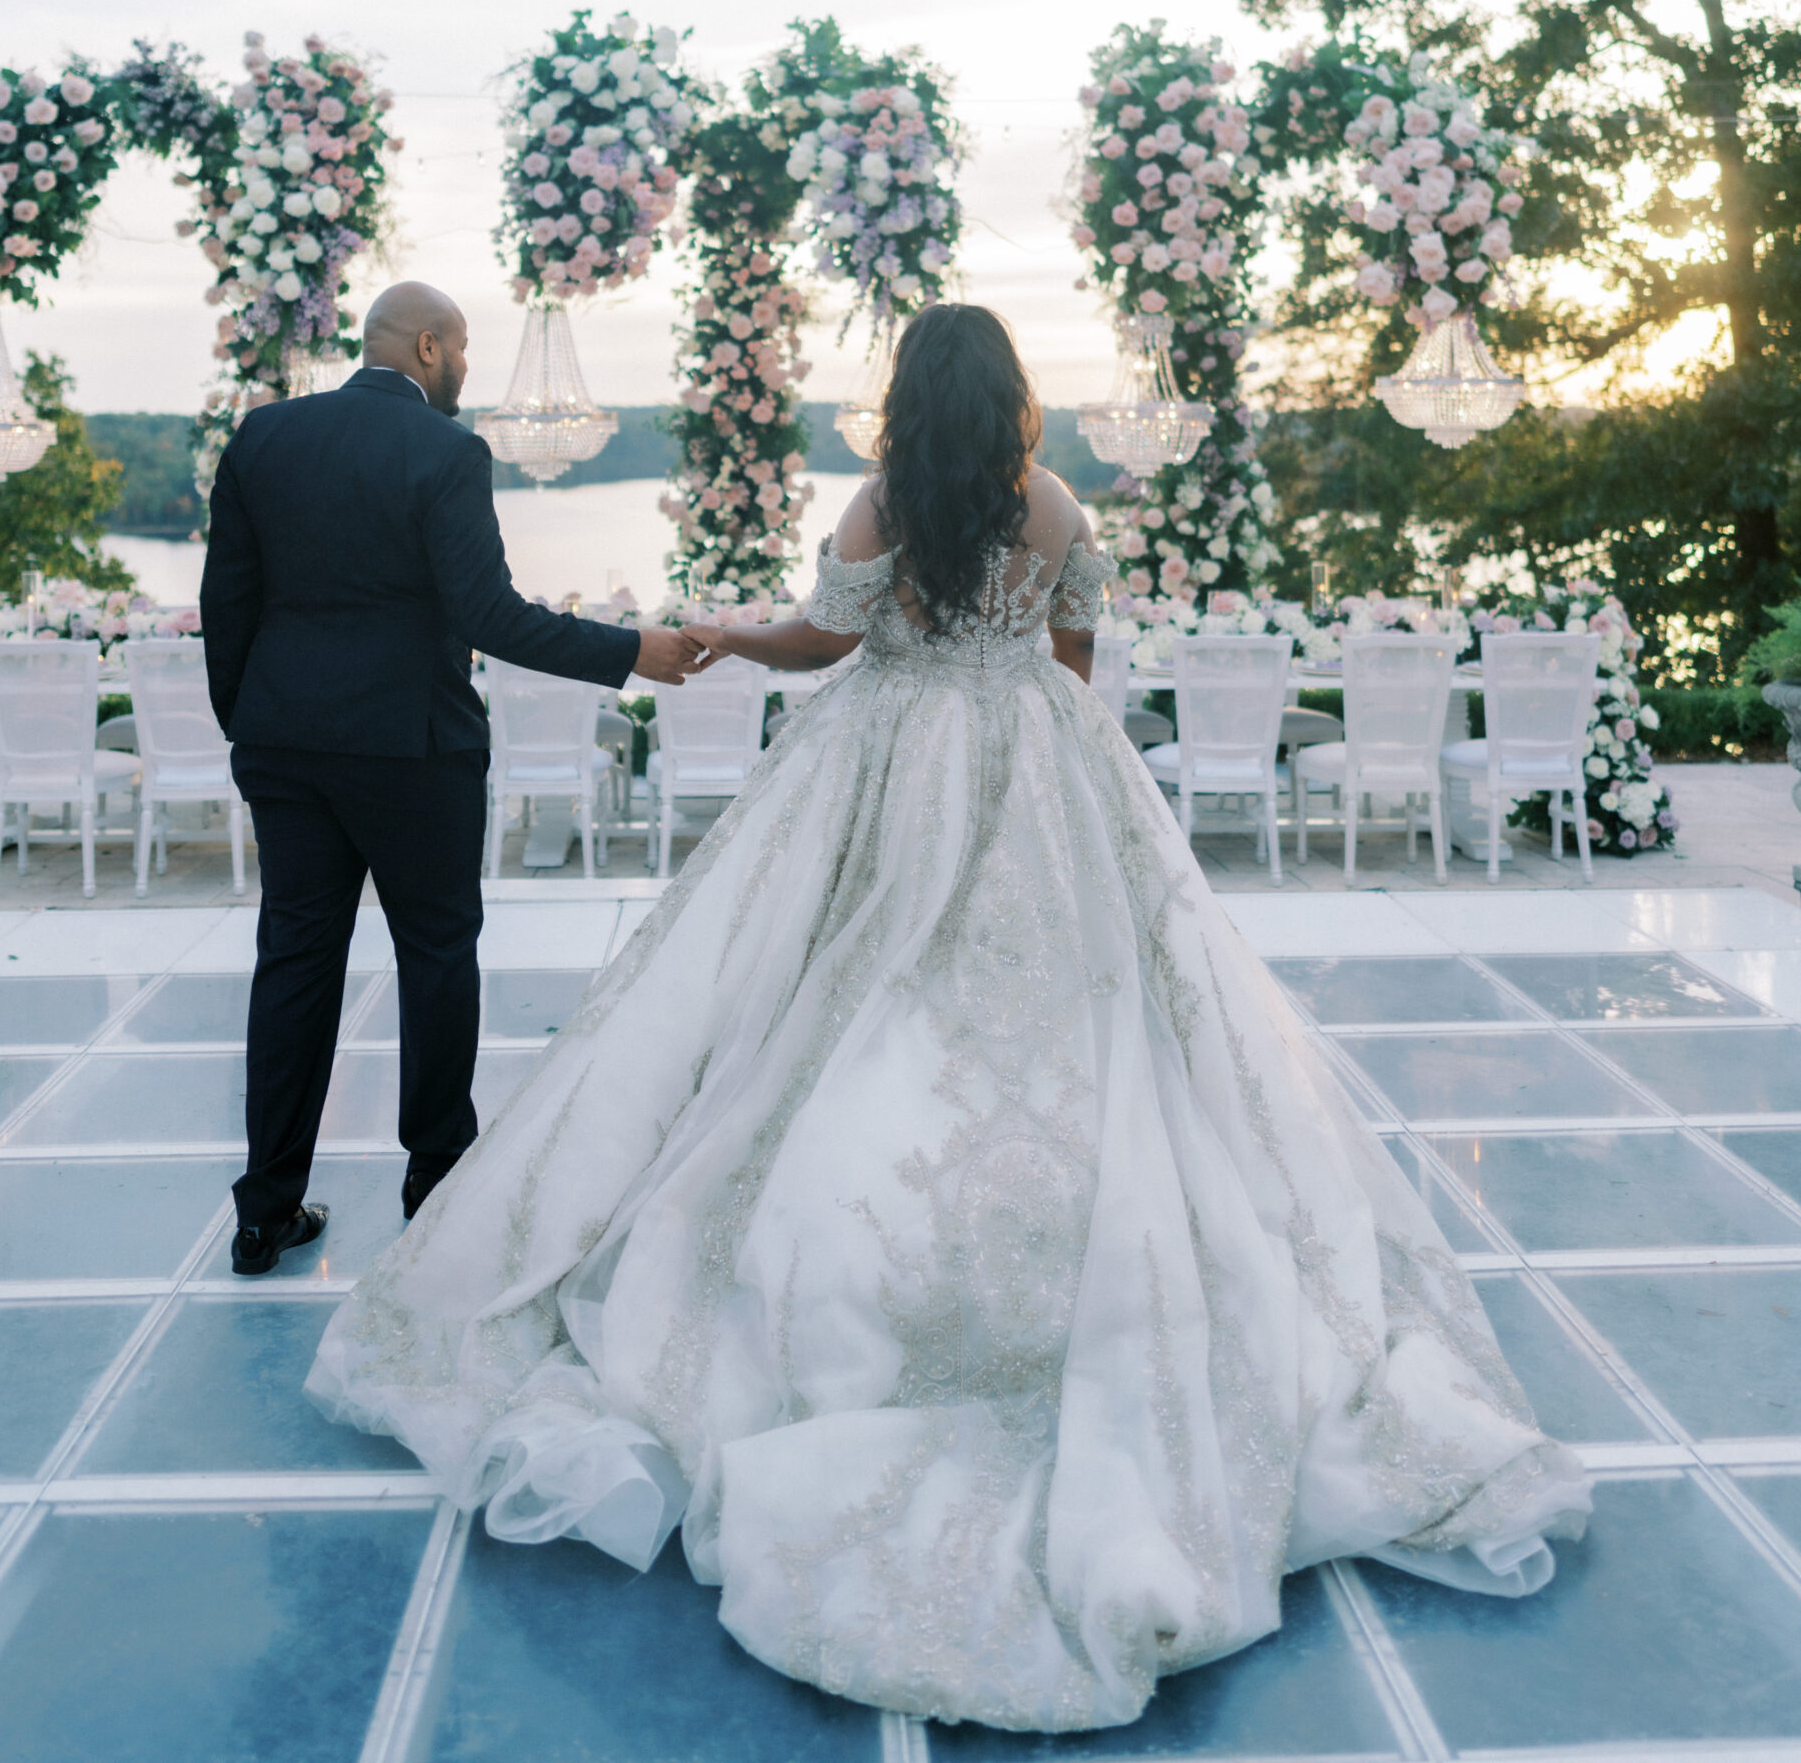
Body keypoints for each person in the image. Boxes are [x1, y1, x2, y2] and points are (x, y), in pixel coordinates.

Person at [308, 302, 1590, 1732]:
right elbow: (1080, 661)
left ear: (913, 395)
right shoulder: (1053, 503)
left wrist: (735, 633)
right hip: (1042, 758)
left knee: (840, 991)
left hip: (893, 752)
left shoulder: (883, 502)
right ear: (1016, 395)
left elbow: (817, 646)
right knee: (1086, 1007)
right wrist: (1024, 710)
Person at [200, 279, 706, 1277]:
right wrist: (630, 650)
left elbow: (230, 600)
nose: (467, 370)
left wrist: (250, 724)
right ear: (429, 346)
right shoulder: (445, 451)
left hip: (286, 746)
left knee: (295, 960)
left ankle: (266, 1209)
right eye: (464, 349)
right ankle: (435, 1183)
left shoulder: (262, 440)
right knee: (436, 953)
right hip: (413, 747)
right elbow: (491, 615)